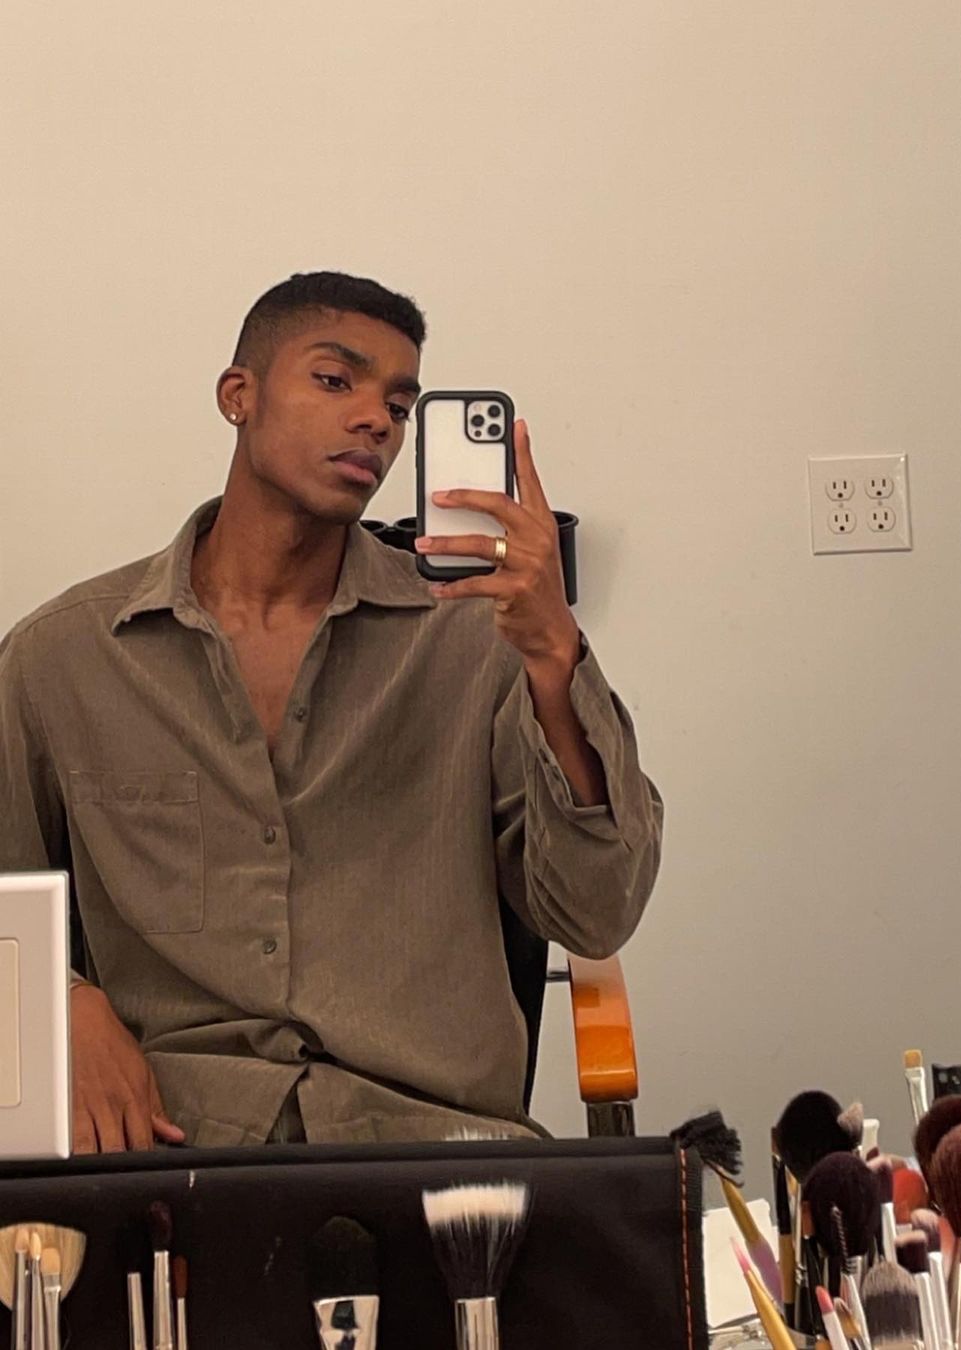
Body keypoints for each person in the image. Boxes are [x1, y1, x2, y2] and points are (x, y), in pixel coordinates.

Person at [0, 271, 663, 1151]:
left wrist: (554, 656)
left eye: (399, 404)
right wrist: (63, 1002)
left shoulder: (474, 641)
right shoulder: (63, 658)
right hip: (174, 1150)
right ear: (238, 396)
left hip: (434, 1148)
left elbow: (596, 914)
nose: (375, 421)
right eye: (334, 379)